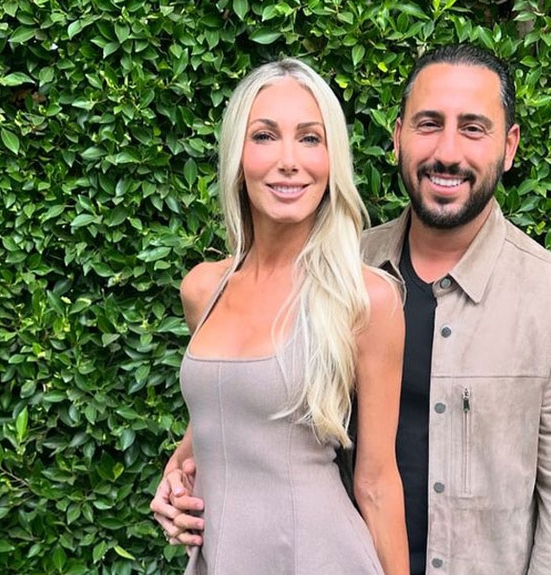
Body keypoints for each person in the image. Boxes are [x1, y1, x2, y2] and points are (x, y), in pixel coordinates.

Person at [153, 44, 551, 574]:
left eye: (473, 128)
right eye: (428, 124)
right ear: (396, 136)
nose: (447, 152)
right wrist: (180, 471)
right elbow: (240, 410)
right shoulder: (343, 271)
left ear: (509, 147)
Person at [155, 57, 409, 574]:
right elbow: (227, 405)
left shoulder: (365, 298)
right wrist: (178, 473)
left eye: (310, 139)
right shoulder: (203, 287)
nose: (289, 160)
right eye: (266, 136)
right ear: (237, 155)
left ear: (332, 158)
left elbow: (377, 483)